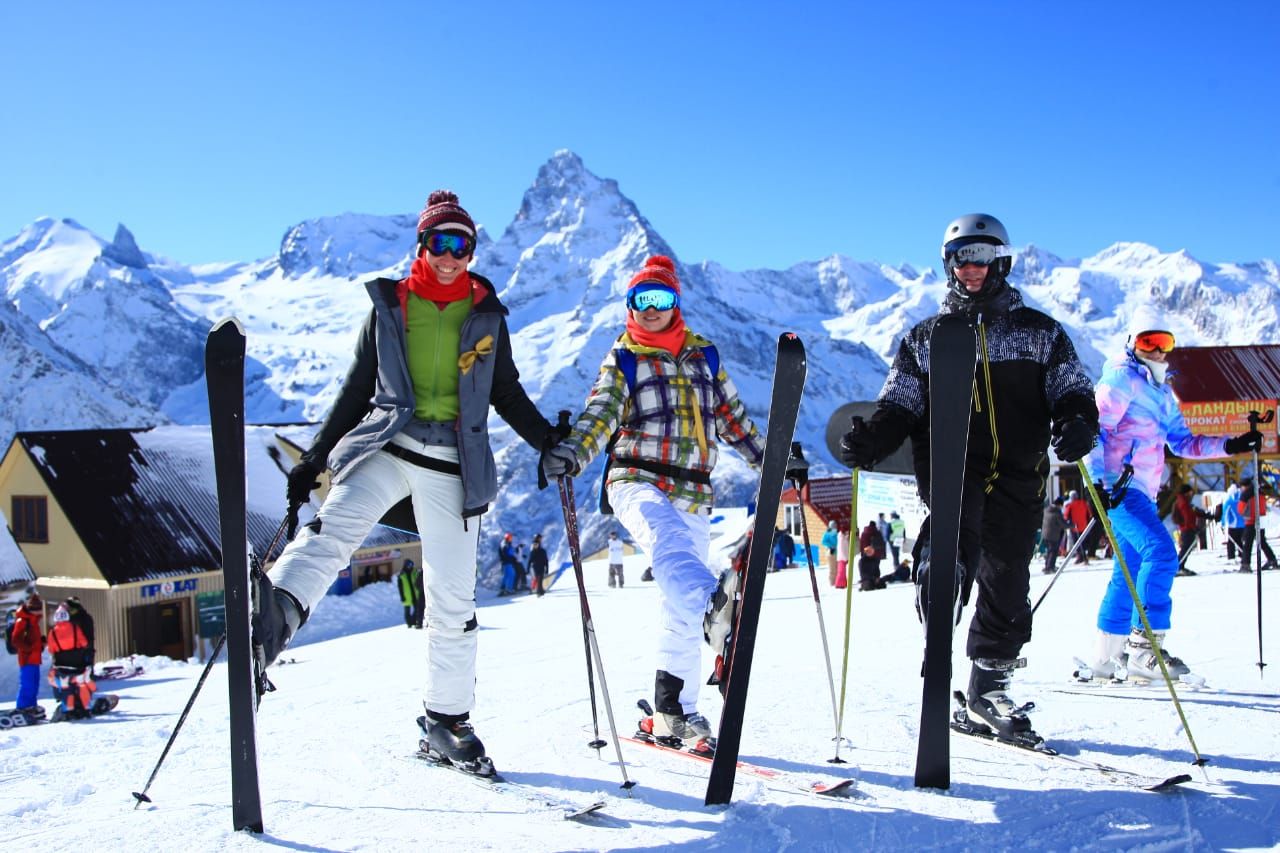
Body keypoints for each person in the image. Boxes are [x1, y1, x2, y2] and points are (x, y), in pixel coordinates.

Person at [253, 189, 561, 771]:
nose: (449, 255)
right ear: (421, 244)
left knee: (452, 596)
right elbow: (355, 387)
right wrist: (315, 457)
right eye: (439, 242)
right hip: (388, 445)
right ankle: (275, 620)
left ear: (471, 251)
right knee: (333, 528)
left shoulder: (488, 314)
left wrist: (547, 439)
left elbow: (505, 391)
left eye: (461, 244)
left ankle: (447, 719)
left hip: (453, 462)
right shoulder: (391, 307)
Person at [839, 213, 1099, 742]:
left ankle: (988, 687)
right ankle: (941, 576)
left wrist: (1077, 421)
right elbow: (901, 404)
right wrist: (874, 438)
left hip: (1020, 473)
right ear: (947, 265)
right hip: (953, 464)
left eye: (981, 257)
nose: (971, 268)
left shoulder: (1039, 333)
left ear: (1001, 261)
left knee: (1008, 579)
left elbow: (1072, 388)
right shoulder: (926, 338)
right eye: (961, 257)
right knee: (955, 528)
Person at [541, 254, 775, 751]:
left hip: (693, 486)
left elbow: (732, 419)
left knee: (677, 603)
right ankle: (716, 604)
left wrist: (772, 461)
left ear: (675, 303)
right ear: (630, 306)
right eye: (641, 300)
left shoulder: (704, 355)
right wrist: (573, 454)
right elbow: (599, 415)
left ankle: (675, 711)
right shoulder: (623, 357)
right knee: (668, 547)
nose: (651, 309)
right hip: (636, 478)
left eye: (661, 299)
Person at [1083, 310, 1262, 683]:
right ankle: (1144, 647)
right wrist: (1099, 481)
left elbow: (1184, 442)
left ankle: (1105, 658)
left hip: (1143, 492)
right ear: (1132, 344)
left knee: (1129, 570)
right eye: (1149, 342)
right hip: (1119, 487)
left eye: (1165, 343)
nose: (1158, 350)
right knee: (1161, 552)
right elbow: (1094, 427)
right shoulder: (1122, 379)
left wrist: (1232, 443)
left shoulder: (1163, 393)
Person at [47, 602, 97, 720]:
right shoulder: (75, 628)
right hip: (78, 665)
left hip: (62, 667)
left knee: (65, 688)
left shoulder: (52, 632)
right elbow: (84, 643)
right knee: (82, 685)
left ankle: (68, 710)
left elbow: (51, 649)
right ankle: (86, 709)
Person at [10, 586, 45, 719]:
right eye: (39, 609)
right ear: (34, 610)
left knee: (34, 683)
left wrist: (40, 644)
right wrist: (30, 649)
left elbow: (32, 639)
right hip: (27, 658)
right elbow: (16, 640)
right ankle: (22, 707)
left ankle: (31, 707)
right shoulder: (22, 620)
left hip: (35, 657)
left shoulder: (33, 620)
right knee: (27, 684)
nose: (41, 612)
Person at [1239, 477, 1278, 573]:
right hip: (1261, 520)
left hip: (1250, 521)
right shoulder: (1260, 491)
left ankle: (1245, 565)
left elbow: (1241, 509)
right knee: (1262, 542)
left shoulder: (1245, 494)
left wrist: (1245, 515)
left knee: (1247, 544)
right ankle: (1272, 560)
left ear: (1244, 486)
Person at [1171, 484, 1200, 576]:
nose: (1192, 494)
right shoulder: (1183, 502)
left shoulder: (1182, 501)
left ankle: (1180, 566)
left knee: (1186, 548)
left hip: (1186, 528)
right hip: (1187, 528)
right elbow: (1187, 516)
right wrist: (1192, 526)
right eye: (1190, 492)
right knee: (1185, 549)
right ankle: (1178, 567)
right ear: (1187, 492)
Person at [1062, 489, 1092, 564]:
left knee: (1077, 543)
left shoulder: (1069, 505)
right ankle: (1083, 556)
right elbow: (1089, 514)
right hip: (1084, 526)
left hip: (1075, 527)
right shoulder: (1084, 503)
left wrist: (1067, 523)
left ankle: (1081, 557)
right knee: (1083, 542)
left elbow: (1066, 516)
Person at [64, 596, 95, 666]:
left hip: (84, 652)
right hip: (72, 653)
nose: (68, 610)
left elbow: (89, 637)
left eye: (69, 608)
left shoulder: (84, 618)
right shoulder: (68, 619)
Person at [1041, 495, 1068, 575]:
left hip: (1046, 534)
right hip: (1054, 534)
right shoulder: (1057, 512)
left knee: (1050, 551)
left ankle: (1048, 566)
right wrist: (1071, 525)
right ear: (1059, 505)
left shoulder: (1046, 510)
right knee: (1053, 551)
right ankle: (1050, 567)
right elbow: (1062, 524)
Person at [857, 519, 886, 591]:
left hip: (866, 554)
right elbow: (882, 543)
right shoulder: (877, 532)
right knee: (875, 569)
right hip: (876, 554)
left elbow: (861, 544)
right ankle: (871, 581)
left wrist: (863, 552)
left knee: (867, 569)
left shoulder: (864, 533)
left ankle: (870, 581)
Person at [397, 560, 424, 628]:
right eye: (409, 565)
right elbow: (400, 587)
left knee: (417, 609)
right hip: (406, 595)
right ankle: (409, 623)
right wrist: (402, 596)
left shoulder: (414, 571)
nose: (410, 566)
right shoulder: (401, 574)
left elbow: (418, 580)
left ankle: (414, 621)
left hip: (415, 594)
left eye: (411, 565)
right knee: (407, 610)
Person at [1222, 481, 1244, 562]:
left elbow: (1225, 513)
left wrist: (1223, 523)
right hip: (1243, 524)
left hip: (1233, 524)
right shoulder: (1242, 499)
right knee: (1239, 540)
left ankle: (1231, 556)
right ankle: (1242, 554)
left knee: (1231, 541)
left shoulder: (1229, 501)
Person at [821, 521, 839, 586]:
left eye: (835, 526)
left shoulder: (837, 533)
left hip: (837, 552)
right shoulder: (827, 533)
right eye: (834, 526)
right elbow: (823, 542)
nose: (835, 527)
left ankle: (837, 582)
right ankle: (832, 582)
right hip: (831, 552)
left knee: (837, 568)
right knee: (832, 568)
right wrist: (831, 546)